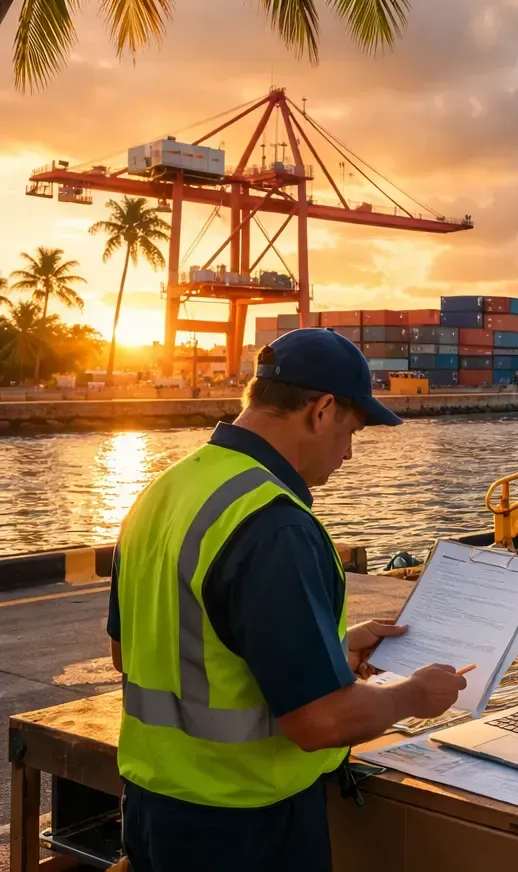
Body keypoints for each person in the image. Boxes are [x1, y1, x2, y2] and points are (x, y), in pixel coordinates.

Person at [108, 329, 467, 872]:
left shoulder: (165, 489)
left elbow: (131, 650)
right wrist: (415, 695)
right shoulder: (275, 525)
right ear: (322, 410)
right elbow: (319, 723)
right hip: (246, 824)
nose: (349, 453)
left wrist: (327, 648)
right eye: (354, 429)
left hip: (154, 811)